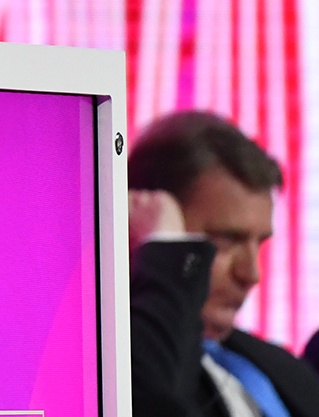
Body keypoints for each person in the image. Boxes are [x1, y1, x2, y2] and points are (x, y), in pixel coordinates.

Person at [127, 111, 319, 417]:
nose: (251, 274)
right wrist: (166, 251)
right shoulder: (118, 373)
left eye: (260, 243)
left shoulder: (275, 364)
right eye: (226, 241)